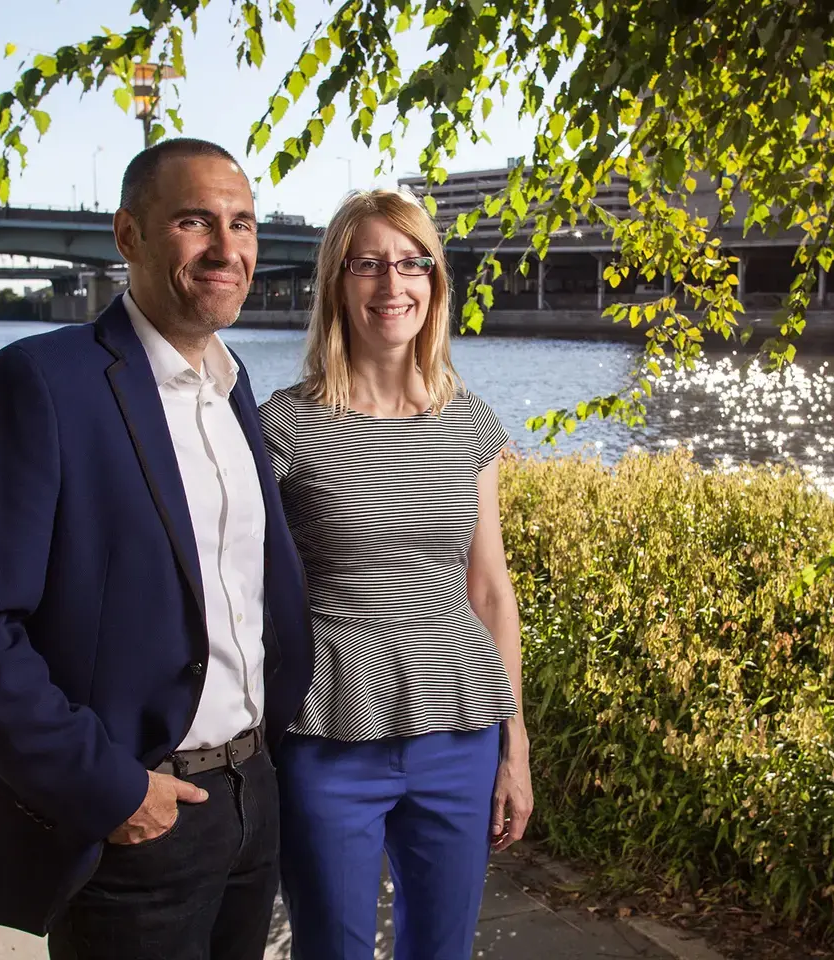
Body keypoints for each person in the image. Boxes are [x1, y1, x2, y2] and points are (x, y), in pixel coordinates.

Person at [0, 137, 313, 960]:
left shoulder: (235, 388)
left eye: (242, 224)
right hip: (138, 815)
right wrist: (110, 790)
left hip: (253, 799)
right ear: (128, 235)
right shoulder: (43, 383)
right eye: (195, 221)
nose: (228, 248)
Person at [259, 188, 534, 960]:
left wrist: (515, 749)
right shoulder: (282, 426)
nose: (393, 284)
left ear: (435, 283)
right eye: (370, 264)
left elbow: (489, 591)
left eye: (413, 263)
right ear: (337, 283)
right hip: (325, 734)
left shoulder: (467, 422)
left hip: (459, 731)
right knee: (332, 949)